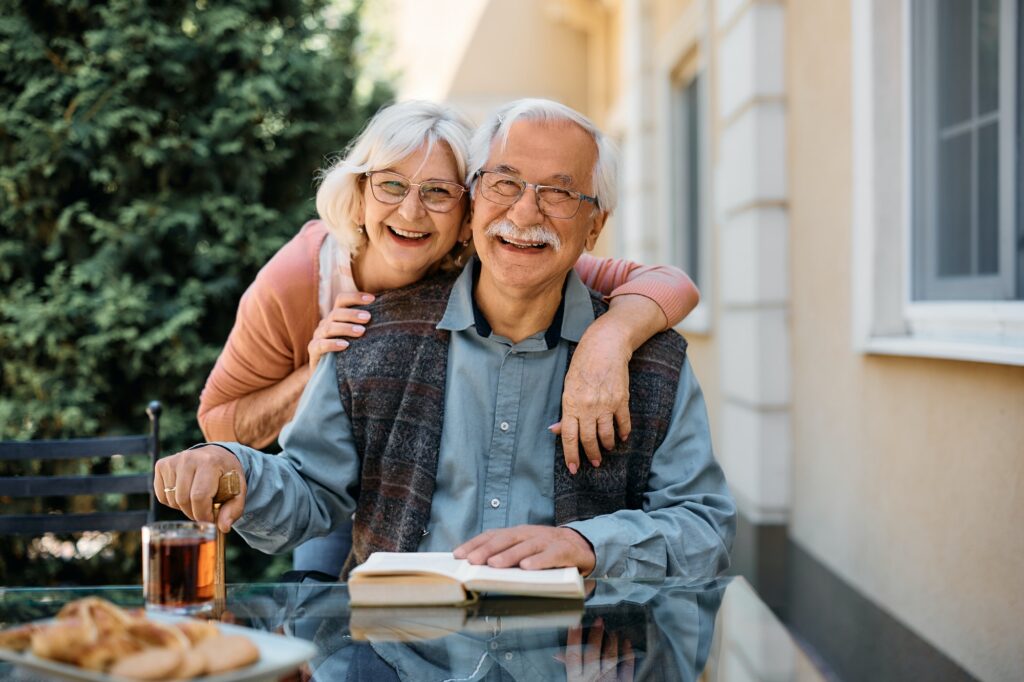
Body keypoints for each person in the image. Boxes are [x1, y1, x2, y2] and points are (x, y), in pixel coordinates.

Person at [159, 98, 734, 581]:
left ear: (594, 226)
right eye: (505, 183)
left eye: (559, 194)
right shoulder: (365, 333)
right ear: (478, 199)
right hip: (399, 656)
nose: (524, 212)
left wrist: (592, 546)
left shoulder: (651, 361)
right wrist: (234, 466)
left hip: (582, 653)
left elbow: (705, 528)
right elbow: (310, 488)